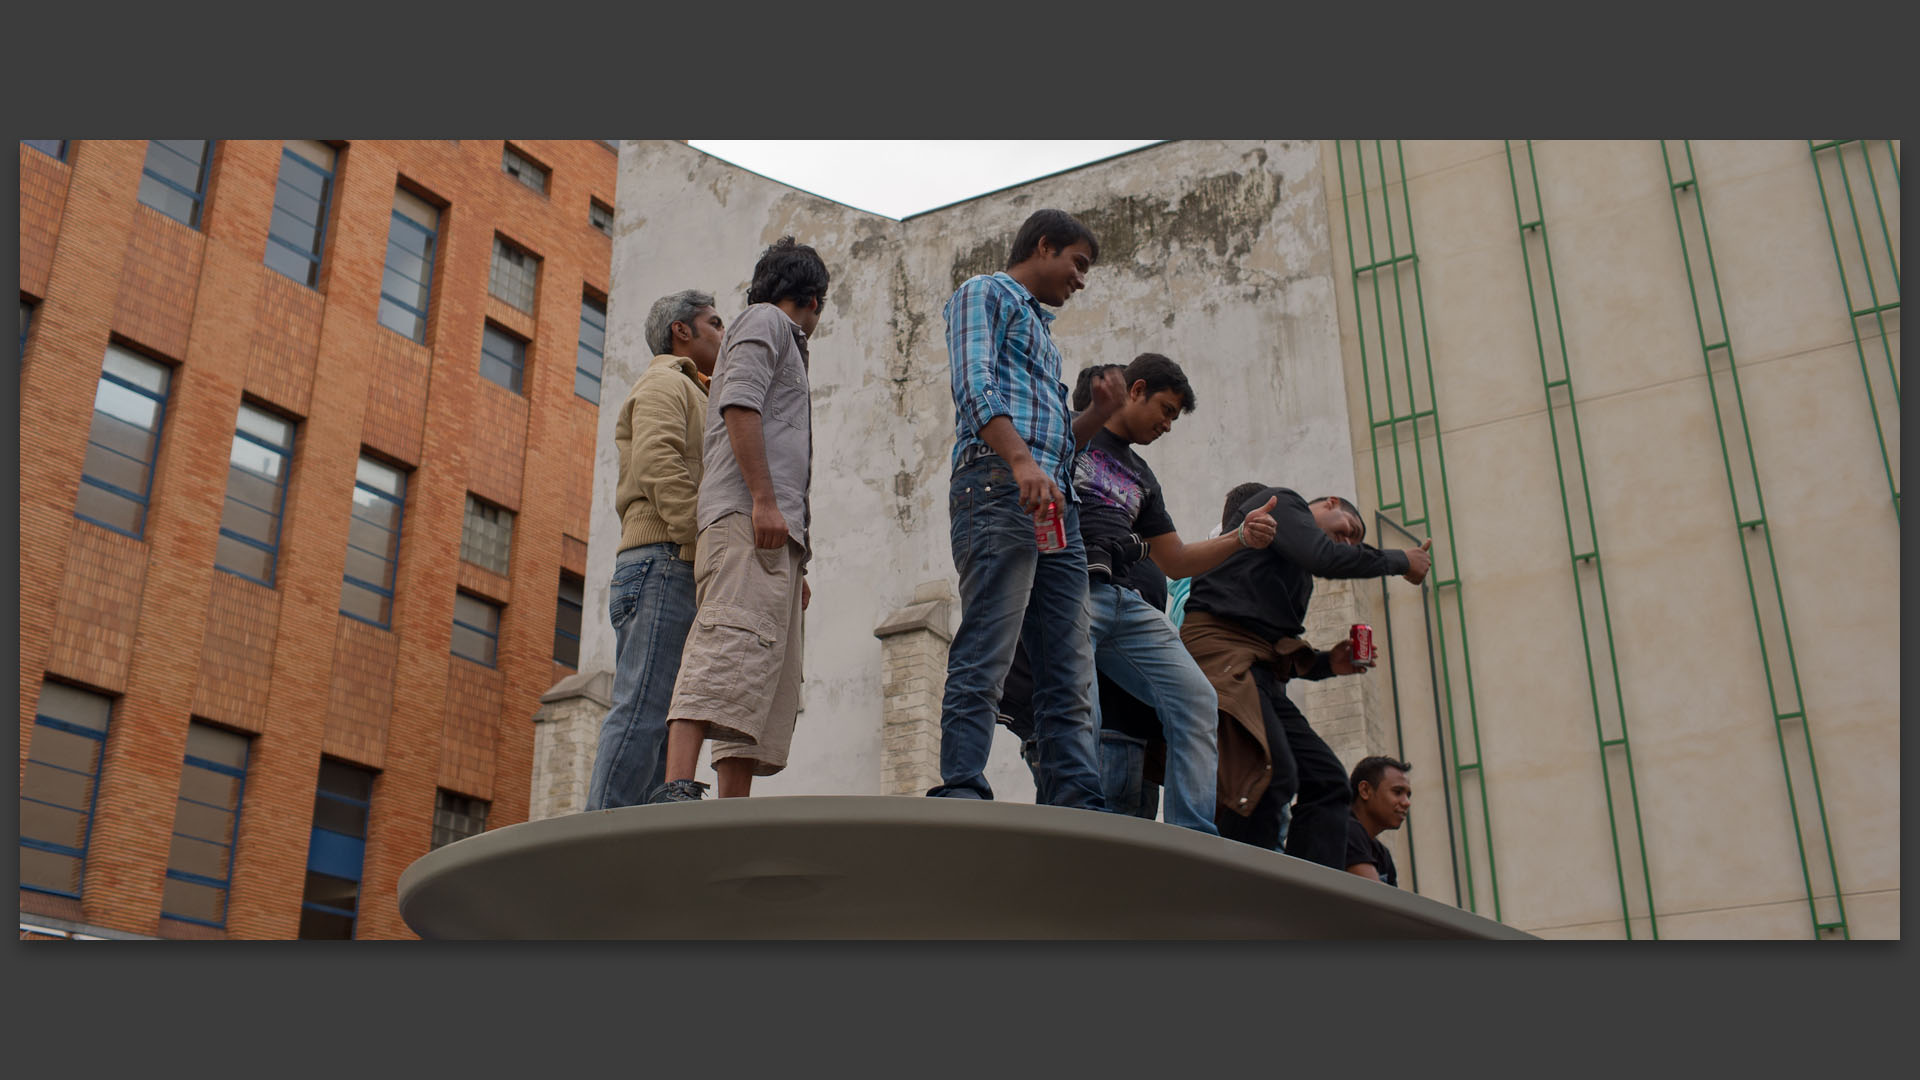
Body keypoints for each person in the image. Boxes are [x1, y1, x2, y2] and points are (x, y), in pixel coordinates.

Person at [928, 209, 1126, 810]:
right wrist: (1018, 463)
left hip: (1050, 503)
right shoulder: (983, 293)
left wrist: (1095, 414)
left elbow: (1058, 440)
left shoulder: (1042, 332)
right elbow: (973, 385)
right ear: (1043, 246)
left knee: (1068, 666)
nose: (1081, 279)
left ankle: (1076, 796)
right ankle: (962, 784)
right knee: (989, 641)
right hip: (997, 486)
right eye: (1078, 263)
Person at [1071, 353, 1281, 835]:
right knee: (1080, 702)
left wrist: (1241, 538)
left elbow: (1177, 560)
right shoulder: (1073, 433)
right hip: (1071, 587)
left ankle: (1192, 831)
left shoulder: (1143, 477)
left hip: (1124, 601)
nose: (1168, 424)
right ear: (1137, 389)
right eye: (1165, 410)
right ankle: (1080, 814)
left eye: (1174, 417)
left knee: (1196, 699)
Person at [651, 237, 828, 802]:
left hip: (773, 535)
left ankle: (732, 810)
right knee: (724, 641)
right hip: (746, 520)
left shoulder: (784, 342)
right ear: (813, 298)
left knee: (760, 673)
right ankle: (678, 785)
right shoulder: (765, 322)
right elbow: (739, 405)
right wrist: (763, 500)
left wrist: (796, 563)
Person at [1181, 488, 1431, 860]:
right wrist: (1401, 560)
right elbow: (1324, 556)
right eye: (1347, 529)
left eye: (1353, 540)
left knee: (1328, 782)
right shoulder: (1281, 503)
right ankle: (1236, 880)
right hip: (1223, 660)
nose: (1347, 541)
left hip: (1259, 675)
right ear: (1329, 502)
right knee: (1272, 775)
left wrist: (1329, 662)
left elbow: (1273, 647)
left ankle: (1305, 895)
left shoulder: (1294, 574)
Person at [584, 290, 725, 809]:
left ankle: (631, 848)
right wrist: (700, 537)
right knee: (644, 708)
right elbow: (658, 461)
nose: (723, 331)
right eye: (714, 322)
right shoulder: (667, 381)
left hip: (672, 563)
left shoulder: (700, 392)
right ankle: (599, 843)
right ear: (681, 332)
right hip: (663, 560)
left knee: (665, 717)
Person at [997, 555, 1171, 820]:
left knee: (1100, 847)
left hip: (1119, 734)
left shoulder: (1123, 549)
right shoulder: (1081, 549)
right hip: (1097, 733)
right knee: (1095, 846)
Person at [1344, 755, 1411, 886]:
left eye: (1408, 795)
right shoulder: (1344, 828)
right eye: (1397, 792)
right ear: (1365, 790)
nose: (1407, 803)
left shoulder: (1382, 854)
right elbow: (1376, 898)